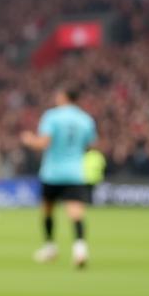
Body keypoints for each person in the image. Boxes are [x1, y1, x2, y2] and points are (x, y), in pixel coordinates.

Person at [21, 88, 97, 269]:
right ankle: (80, 250)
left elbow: (43, 143)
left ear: (63, 97)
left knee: (47, 210)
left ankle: (50, 247)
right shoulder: (86, 119)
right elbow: (90, 143)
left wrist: (29, 139)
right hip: (75, 172)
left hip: (52, 172)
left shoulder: (52, 116)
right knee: (76, 213)